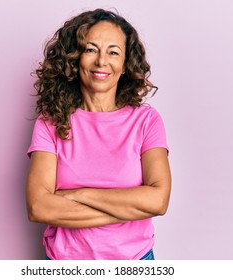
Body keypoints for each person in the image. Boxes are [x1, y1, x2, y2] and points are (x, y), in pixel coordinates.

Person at [26, 8, 171, 260]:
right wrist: (130, 208)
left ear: (125, 64)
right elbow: (39, 207)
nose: (102, 61)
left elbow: (158, 200)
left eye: (113, 52)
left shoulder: (146, 121)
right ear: (75, 58)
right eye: (91, 49)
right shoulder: (50, 122)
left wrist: (79, 194)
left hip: (134, 263)